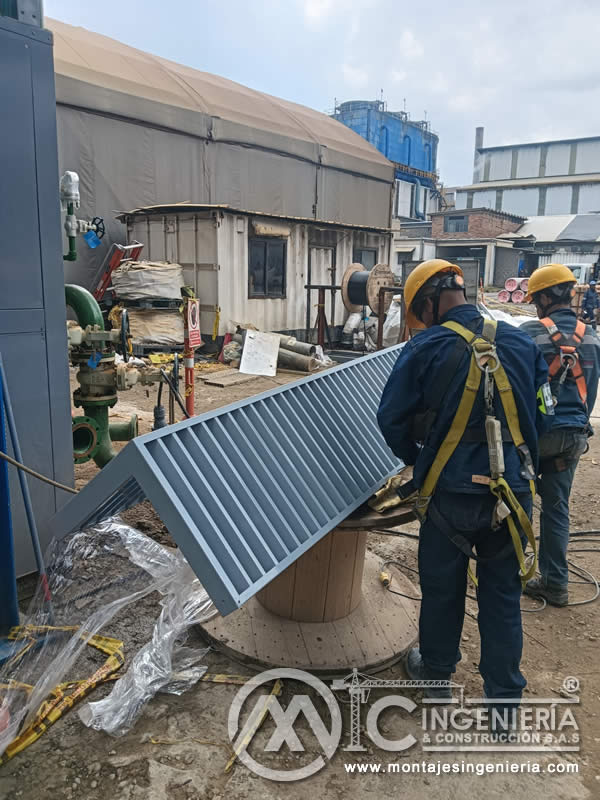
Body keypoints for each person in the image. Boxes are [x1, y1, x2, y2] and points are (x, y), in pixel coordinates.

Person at [377, 259, 553, 720]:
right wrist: (519, 465)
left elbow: (390, 419)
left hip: (448, 496)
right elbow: (543, 415)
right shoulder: (521, 341)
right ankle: (504, 706)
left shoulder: (426, 348)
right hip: (510, 495)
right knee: (501, 597)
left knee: (442, 589)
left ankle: (436, 677)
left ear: (429, 305)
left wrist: (422, 459)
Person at [520, 264, 600, 606]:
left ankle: (507, 574)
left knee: (516, 505)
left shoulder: (529, 333)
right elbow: (590, 394)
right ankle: (556, 584)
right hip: (571, 438)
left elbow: (519, 391)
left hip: (536, 436)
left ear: (544, 298)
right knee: (556, 510)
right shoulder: (593, 338)